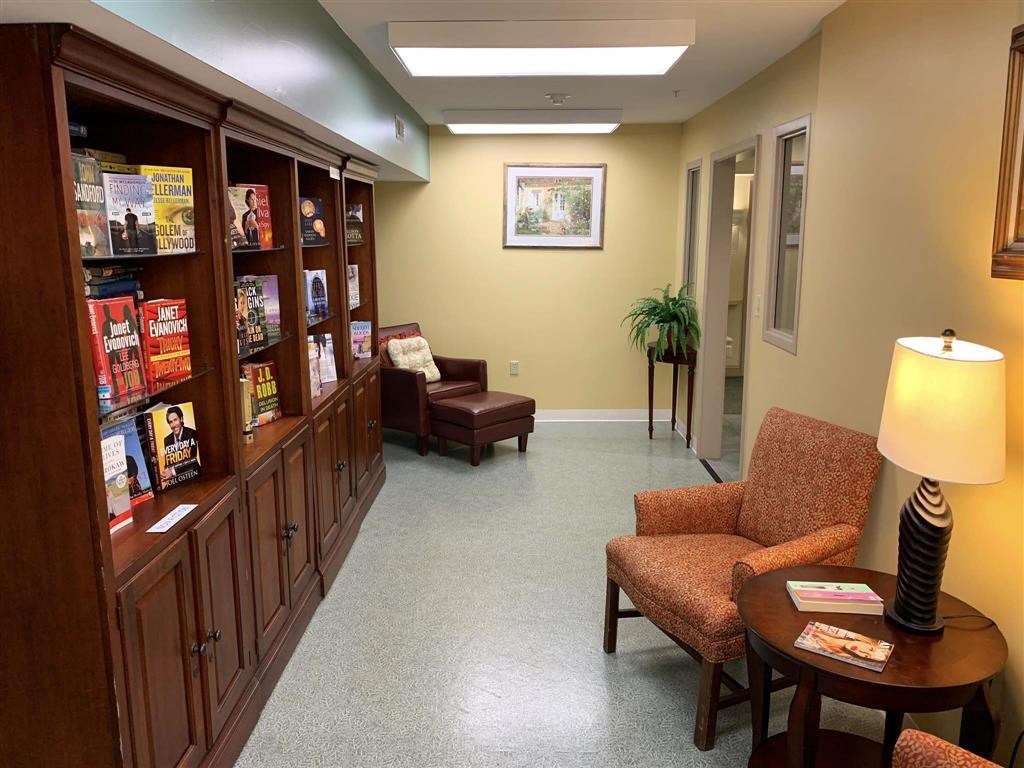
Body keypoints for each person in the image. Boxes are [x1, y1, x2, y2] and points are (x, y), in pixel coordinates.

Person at [161, 405, 200, 482]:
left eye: (175, 420)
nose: (174, 425)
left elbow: (190, 459)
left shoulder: (191, 433)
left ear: (181, 419)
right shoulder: (167, 440)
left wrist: (172, 472)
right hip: (176, 479)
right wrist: (165, 473)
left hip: (193, 474)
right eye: (170, 422)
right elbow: (168, 462)